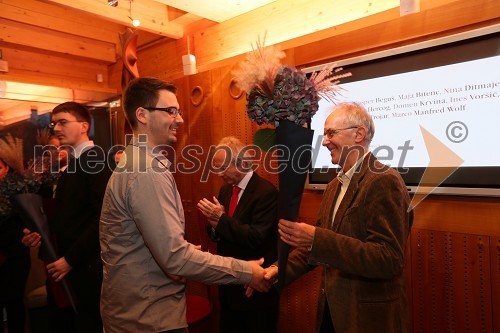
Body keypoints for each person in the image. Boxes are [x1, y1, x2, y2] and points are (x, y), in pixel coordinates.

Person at [99, 77, 271, 333]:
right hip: (149, 318)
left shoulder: (138, 163)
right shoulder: (146, 171)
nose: (179, 119)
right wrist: (246, 271)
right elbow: (174, 258)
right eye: (171, 111)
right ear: (142, 115)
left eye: (178, 111)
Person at [264, 102, 413, 333]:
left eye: (331, 133)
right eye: (324, 134)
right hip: (333, 315)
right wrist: (276, 271)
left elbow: (388, 259)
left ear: (359, 134)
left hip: (368, 321)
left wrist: (317, 239)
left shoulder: (384, 180)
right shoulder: (334, 185)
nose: (324, 142)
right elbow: (314, 249)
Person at [22, 102, 112, 333]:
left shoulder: (95, 159)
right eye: (54, 124)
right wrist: (39, 235)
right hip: (70, 268)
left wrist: (70, 259)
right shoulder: (74, 163)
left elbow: (104, 217)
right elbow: (69, 216)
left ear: (84, 126)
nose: (56, 128)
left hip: (87, 268)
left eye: (63, 122)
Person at [197, 136, 279, 333]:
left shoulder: (265, 192)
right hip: (229, 284)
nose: (219, 173)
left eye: (223, 167)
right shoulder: (226, 190)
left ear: (242, 163)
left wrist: (221, 220)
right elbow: (218, 232)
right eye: (216, 168)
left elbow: (256, 237)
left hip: (255, 289)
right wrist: (215, 224)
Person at [0, 159, 31, 333]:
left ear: (7, 169)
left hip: (15, 257)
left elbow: (24, 226)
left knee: (14, 302)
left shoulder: (19, 192)